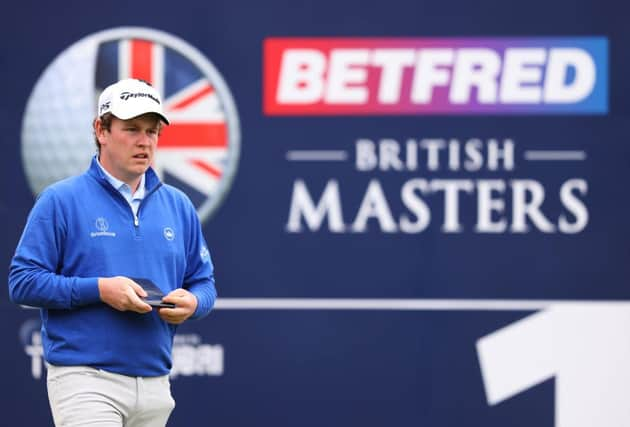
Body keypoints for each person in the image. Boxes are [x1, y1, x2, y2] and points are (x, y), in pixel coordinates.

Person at [8, 78, 217, 426]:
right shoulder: (61, 200)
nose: (144, 141)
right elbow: (23, 282)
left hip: (155, 385)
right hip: (86, 380)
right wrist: (101, 290)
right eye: (131, 128)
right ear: (101, 130)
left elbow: (204, 284)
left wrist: (194, 304)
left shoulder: (179, 206)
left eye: (152, 131)